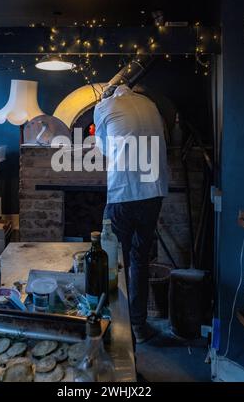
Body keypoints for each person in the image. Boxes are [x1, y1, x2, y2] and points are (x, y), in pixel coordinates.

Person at [94, 84, 168, 344]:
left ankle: (111, 324)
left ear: (110, 93)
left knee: (111, 260)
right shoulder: (151, 104)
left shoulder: (103, 106)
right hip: (154, 192)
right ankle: (138, 324)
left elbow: (102, 149)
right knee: (139, 258)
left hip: (123, 193)